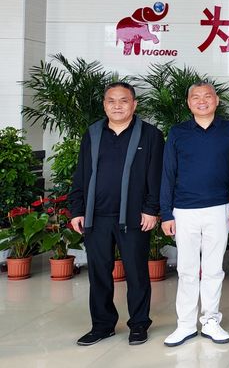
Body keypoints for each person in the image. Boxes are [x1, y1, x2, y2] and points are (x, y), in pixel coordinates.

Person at [69, 82, 164, 346]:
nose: (117, 106)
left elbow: (155, 176)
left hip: (134, 217)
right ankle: (102, 325)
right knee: (99, 273)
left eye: (123, 100)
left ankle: (139, 324)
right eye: (111, 101)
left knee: (136, 272)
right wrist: (77, 209)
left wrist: (151, 209)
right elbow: (81, 174)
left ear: (134, 104)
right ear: (104, 105)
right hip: (96, 216)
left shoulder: (150, 135)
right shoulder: (93, 133)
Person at [160, 82, 229, 347]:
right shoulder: (178, 132)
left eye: (207, 96)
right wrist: (166, 213)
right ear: (188, 102)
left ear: (217, 100)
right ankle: (185, 325)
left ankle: (211, 321)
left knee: (214, 269)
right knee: (187, 270)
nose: (202, 101)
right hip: (184, 210)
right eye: (196, 97)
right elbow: (168, 173)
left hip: (218, 208)